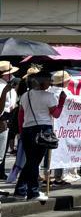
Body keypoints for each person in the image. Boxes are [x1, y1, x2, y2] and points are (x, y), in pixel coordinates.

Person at [12, 71, 66, 202]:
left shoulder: (25, 95)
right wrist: (62, 102)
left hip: (26, 130)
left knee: (31, 161)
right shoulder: (49, 96)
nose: (50, 83)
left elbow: (21, 114)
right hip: (43, 129)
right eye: (48, 81)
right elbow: (56, 114)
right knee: (34, 162)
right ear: (43, 82)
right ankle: (33, 191)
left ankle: (20, 190)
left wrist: (21, 132)